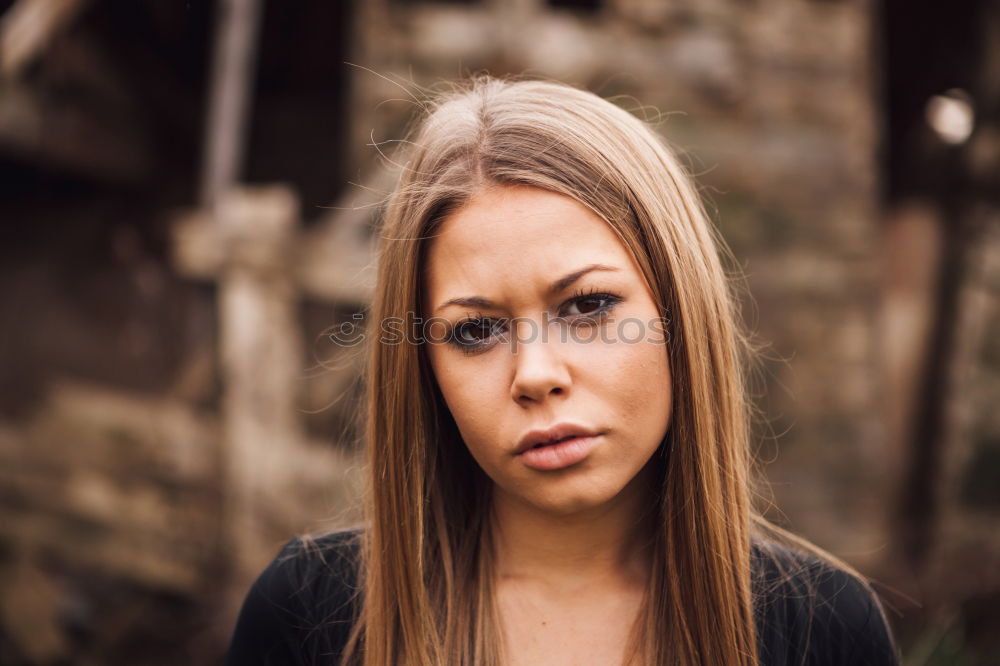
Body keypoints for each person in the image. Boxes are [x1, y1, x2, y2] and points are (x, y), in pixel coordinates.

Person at [224, 77, 900, 666]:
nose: (536, 374)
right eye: (476, 330)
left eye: (588, 306)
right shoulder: (310, 615)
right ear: (425, 368)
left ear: (680, 312)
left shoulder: (823, 629)